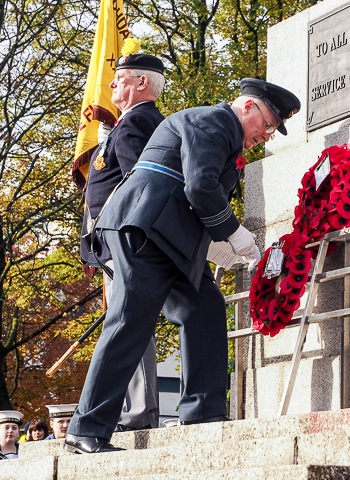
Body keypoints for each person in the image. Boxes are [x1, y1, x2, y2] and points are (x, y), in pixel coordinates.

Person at [63, 78, 300, 454]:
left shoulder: (221, 130)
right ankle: (85, 428)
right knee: (129, 321)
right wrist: (234, 233)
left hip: (168, 238)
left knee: (203, 306)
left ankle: (202, 413)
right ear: (249, 107)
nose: (267, 136)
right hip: (146, 229)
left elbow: (194, 195)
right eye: (268, 124)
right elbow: (201, 188)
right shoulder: (218, 121)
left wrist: (222, 246)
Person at [81, 53, 166, 432]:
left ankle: (141, 410)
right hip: (114, 242)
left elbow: (138, 185)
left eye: (119, 78)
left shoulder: (137, 124)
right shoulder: (130, 124)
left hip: (124, 241)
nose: (112, 84)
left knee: (129, 323)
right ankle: (136, 408)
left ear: (142, 83)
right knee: (126, 322)